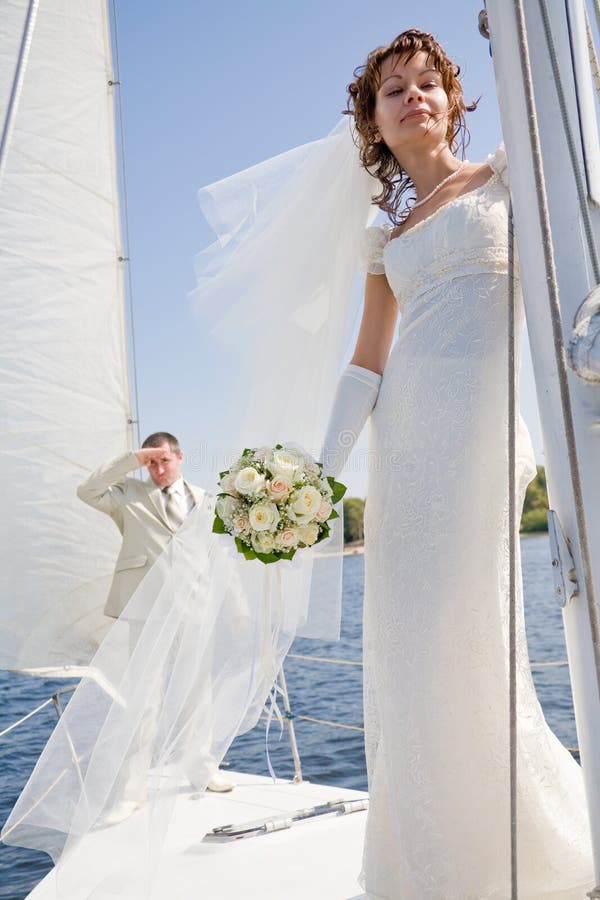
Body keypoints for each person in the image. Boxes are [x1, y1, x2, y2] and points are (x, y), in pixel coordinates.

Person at [320, 28, 593, 898]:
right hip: (404, 455)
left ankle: (519, 852)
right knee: (414, 651)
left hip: (482, 445)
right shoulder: (383, 242)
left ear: (454, 101)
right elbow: (366, 367)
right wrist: (312, 479)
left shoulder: (510, 178)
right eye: (392, 89)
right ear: (375, 124)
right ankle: (435, 864)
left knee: (480, 635)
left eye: (427, 82)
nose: (413, 96)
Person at [78, 431, 234, 797]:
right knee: (142, 700)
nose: (158, 468)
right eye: (152, 462)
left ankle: (202, 771)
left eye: (164, 460)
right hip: (144, 610)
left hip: (195, 609)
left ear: (180, 458)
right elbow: (86, 491)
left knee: (198, 696)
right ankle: (132, 790)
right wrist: (133, 458)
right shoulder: (127, 495)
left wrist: (235, 608)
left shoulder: (205, 500)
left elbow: (219, 556)